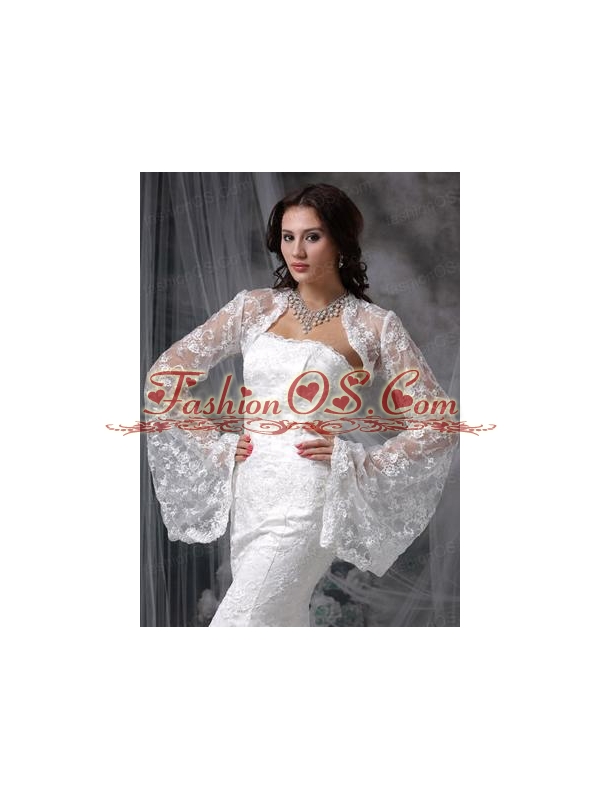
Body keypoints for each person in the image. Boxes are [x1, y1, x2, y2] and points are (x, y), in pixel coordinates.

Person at [144, 183, 458, 626]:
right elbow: (164, 377)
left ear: (341, 241)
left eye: (312, 236)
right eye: (288, 237)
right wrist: (213, 443)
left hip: (310, 497)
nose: (297, 250)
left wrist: (362, 462)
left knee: (242, 621)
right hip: (251, 492)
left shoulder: (372, 325)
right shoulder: (253, 309)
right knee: (279, 621)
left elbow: (437, 425)